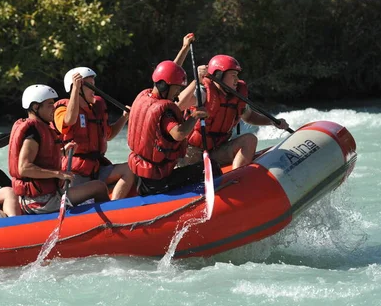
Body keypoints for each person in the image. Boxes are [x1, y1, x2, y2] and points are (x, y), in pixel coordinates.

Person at [175, 39, 290, 169]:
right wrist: (196, 80)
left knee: (250, 139)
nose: (237, 80)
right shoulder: (203, 93)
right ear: (219, 75)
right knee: (190, 162)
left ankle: (236, 179)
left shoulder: (236, 96)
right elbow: (178, 105)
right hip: (192, 153)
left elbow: (249, 116)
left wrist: (271, 121)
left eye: (237, 75)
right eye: (233, 75)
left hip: (218, 150)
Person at [9, 84, 110, 215]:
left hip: (44, 196)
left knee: (97, 186)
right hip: (42, 201)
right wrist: (58, 174)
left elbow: (43, 157)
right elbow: (24, 168)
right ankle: (112, 224)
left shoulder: (39, 128)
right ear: (35, 107)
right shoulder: (32, 134)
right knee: (99, 187)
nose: (54, 108)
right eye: (50, 104)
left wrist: (63, 151)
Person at [127, 61, 221, 196]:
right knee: (213, 168)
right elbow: (179, 134)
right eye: (176, 89)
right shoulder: (165, 112)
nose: (177, 94)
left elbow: (169, 70)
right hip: (157, 181)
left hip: (142, 174)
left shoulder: (144, 96)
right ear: (163, 85)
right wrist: (194, 116)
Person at [52, 67, 135, 200]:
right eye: (90, 86)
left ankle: (114, 207)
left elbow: (109, 135)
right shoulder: (61, 109)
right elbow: (69, 120)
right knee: (94, 187)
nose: (94, 90)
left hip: (97, 168)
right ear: (78, 89)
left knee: (129, 169)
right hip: (75, 173)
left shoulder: (96, 108)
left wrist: (124, 118)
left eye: (94, 85)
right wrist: (75, 89)